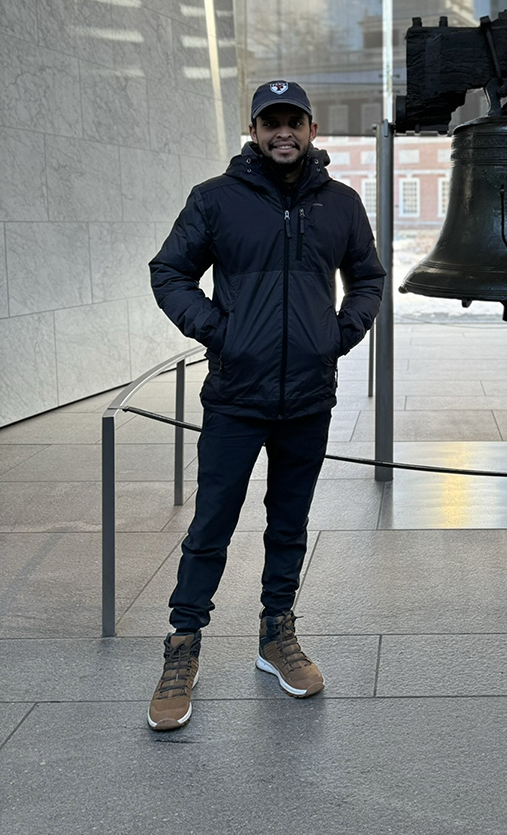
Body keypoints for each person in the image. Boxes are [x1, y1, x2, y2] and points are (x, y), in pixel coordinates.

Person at [145, 80, 385, 731]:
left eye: (294, 121)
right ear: (253, 130)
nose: (283, 132)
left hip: (308, 395)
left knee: (289, 524)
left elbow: (368, 276)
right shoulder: (215, 200)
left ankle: (276, 633)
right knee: (211, 526)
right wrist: (218, 331)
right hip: (235, 395)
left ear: (311, 130)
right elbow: (169, 271)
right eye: (270, 121)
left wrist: (339, 334)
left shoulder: (340, 204)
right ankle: (183, 644)